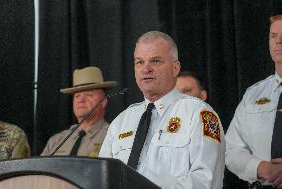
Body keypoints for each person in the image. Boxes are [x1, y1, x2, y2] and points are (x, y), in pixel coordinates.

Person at [99, 31, 225, 188]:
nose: (146, 69)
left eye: (155, 61)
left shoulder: (199, 114)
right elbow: (102, 179)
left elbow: (207, 180)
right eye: (139, 62)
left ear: (175, 68)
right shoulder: (120, 122)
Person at [225, 6, 282, 188]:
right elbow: (230, 149)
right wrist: (261, 168)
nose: (278, 42)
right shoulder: (253, 95)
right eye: (273, 36)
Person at [41, 66, 117, 157]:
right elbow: (38, 170)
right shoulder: (57, 141)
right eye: (77, 96)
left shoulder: (114, 137)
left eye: (89, 95)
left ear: (103, 102)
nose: (80, 100)